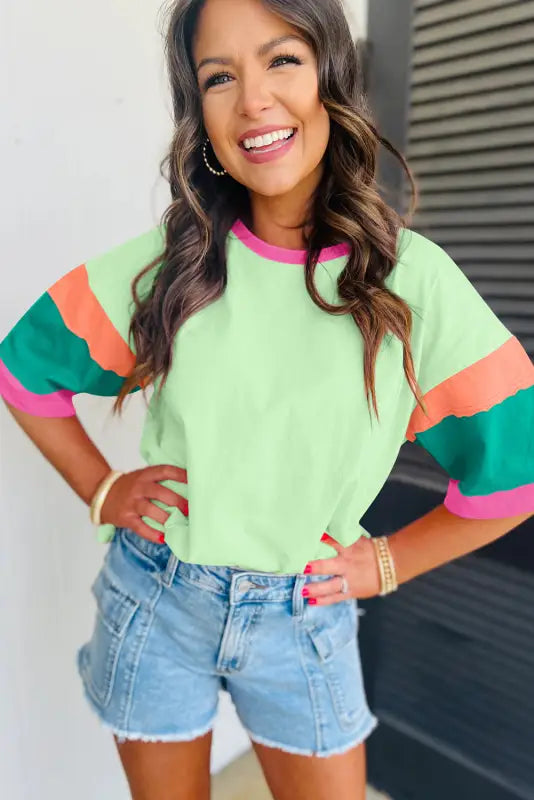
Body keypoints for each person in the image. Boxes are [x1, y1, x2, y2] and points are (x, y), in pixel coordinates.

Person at [1, 0, 533, 797]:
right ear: (199, 113)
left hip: (303, 618)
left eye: (282, 59)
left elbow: (513, 474)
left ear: (332, 75)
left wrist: (386, 563)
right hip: (157, 595)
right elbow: (25, 370)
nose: (252, 99)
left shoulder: (412, 285)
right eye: (219, 76)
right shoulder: (174, 264)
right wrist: (103, 488)